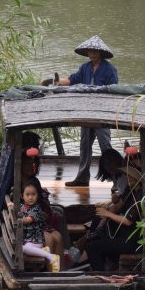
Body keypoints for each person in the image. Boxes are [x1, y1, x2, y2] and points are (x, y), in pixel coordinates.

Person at [57, 35, 118, 187]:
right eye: (90, 51)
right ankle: (82, 178)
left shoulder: (109, 69)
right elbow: (72, 80)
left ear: (100, 52)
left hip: (102, 113)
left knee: (106, 148)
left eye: (95, 51)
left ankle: (117, 180)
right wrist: (54, 81)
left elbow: (114, 89)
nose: (92, 53)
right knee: (84, 146)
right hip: (86, 113)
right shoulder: (85, 68)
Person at [19, 180, 59, 272]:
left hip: (36, 240)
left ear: (37, 195)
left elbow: (26, 220)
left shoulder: (36, 209)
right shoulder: (23, 206)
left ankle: (51, 256)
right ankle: (45, 251)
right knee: (24, 248)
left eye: (33, 194)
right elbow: (18, 208)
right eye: (27, 195)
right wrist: (11, 206)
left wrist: (19, 220)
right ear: (22, 196)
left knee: (24, 249)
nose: (30, 197)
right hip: (28, 240)